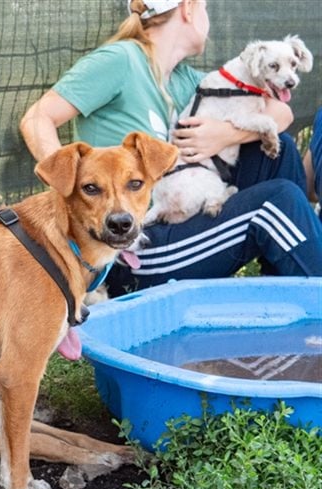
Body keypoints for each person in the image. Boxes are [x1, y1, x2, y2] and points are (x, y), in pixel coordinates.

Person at [20, 0, 322, 296]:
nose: (208, 19)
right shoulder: (120, 60)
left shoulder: (186, 80)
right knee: (277, 204)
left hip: (188, 217)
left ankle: (289, 302)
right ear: (188, 8)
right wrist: (71, 188)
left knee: (277, 149)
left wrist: (225, 134)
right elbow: (37, 118)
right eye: (205, 8)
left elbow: (282, 113)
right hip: (139, 245)